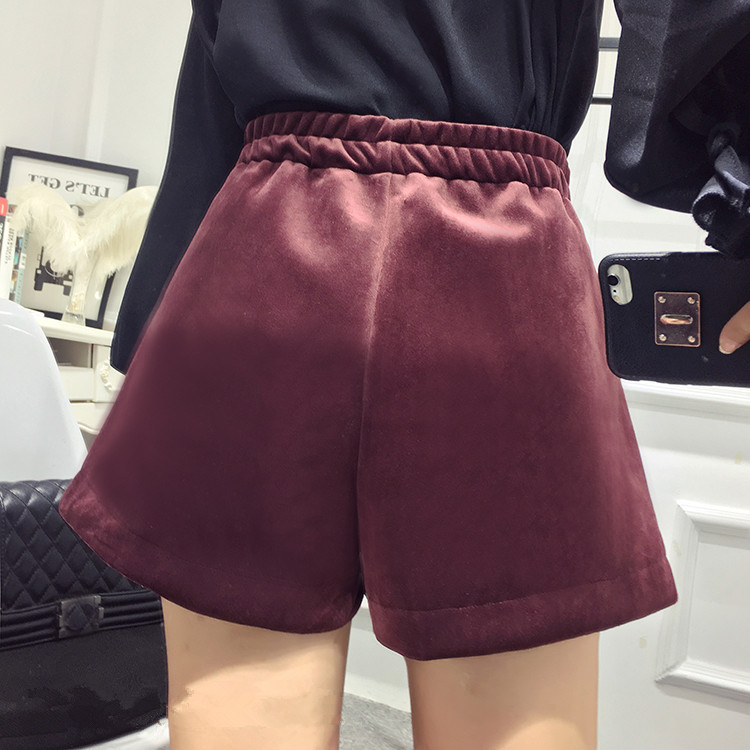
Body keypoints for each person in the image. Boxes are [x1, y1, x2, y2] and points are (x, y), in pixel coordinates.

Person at [57, 1, 747, 749]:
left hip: (265, 245)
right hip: (501, 262)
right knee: (504, 724)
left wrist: (156, 323)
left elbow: (213, 71)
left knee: (247, 713)